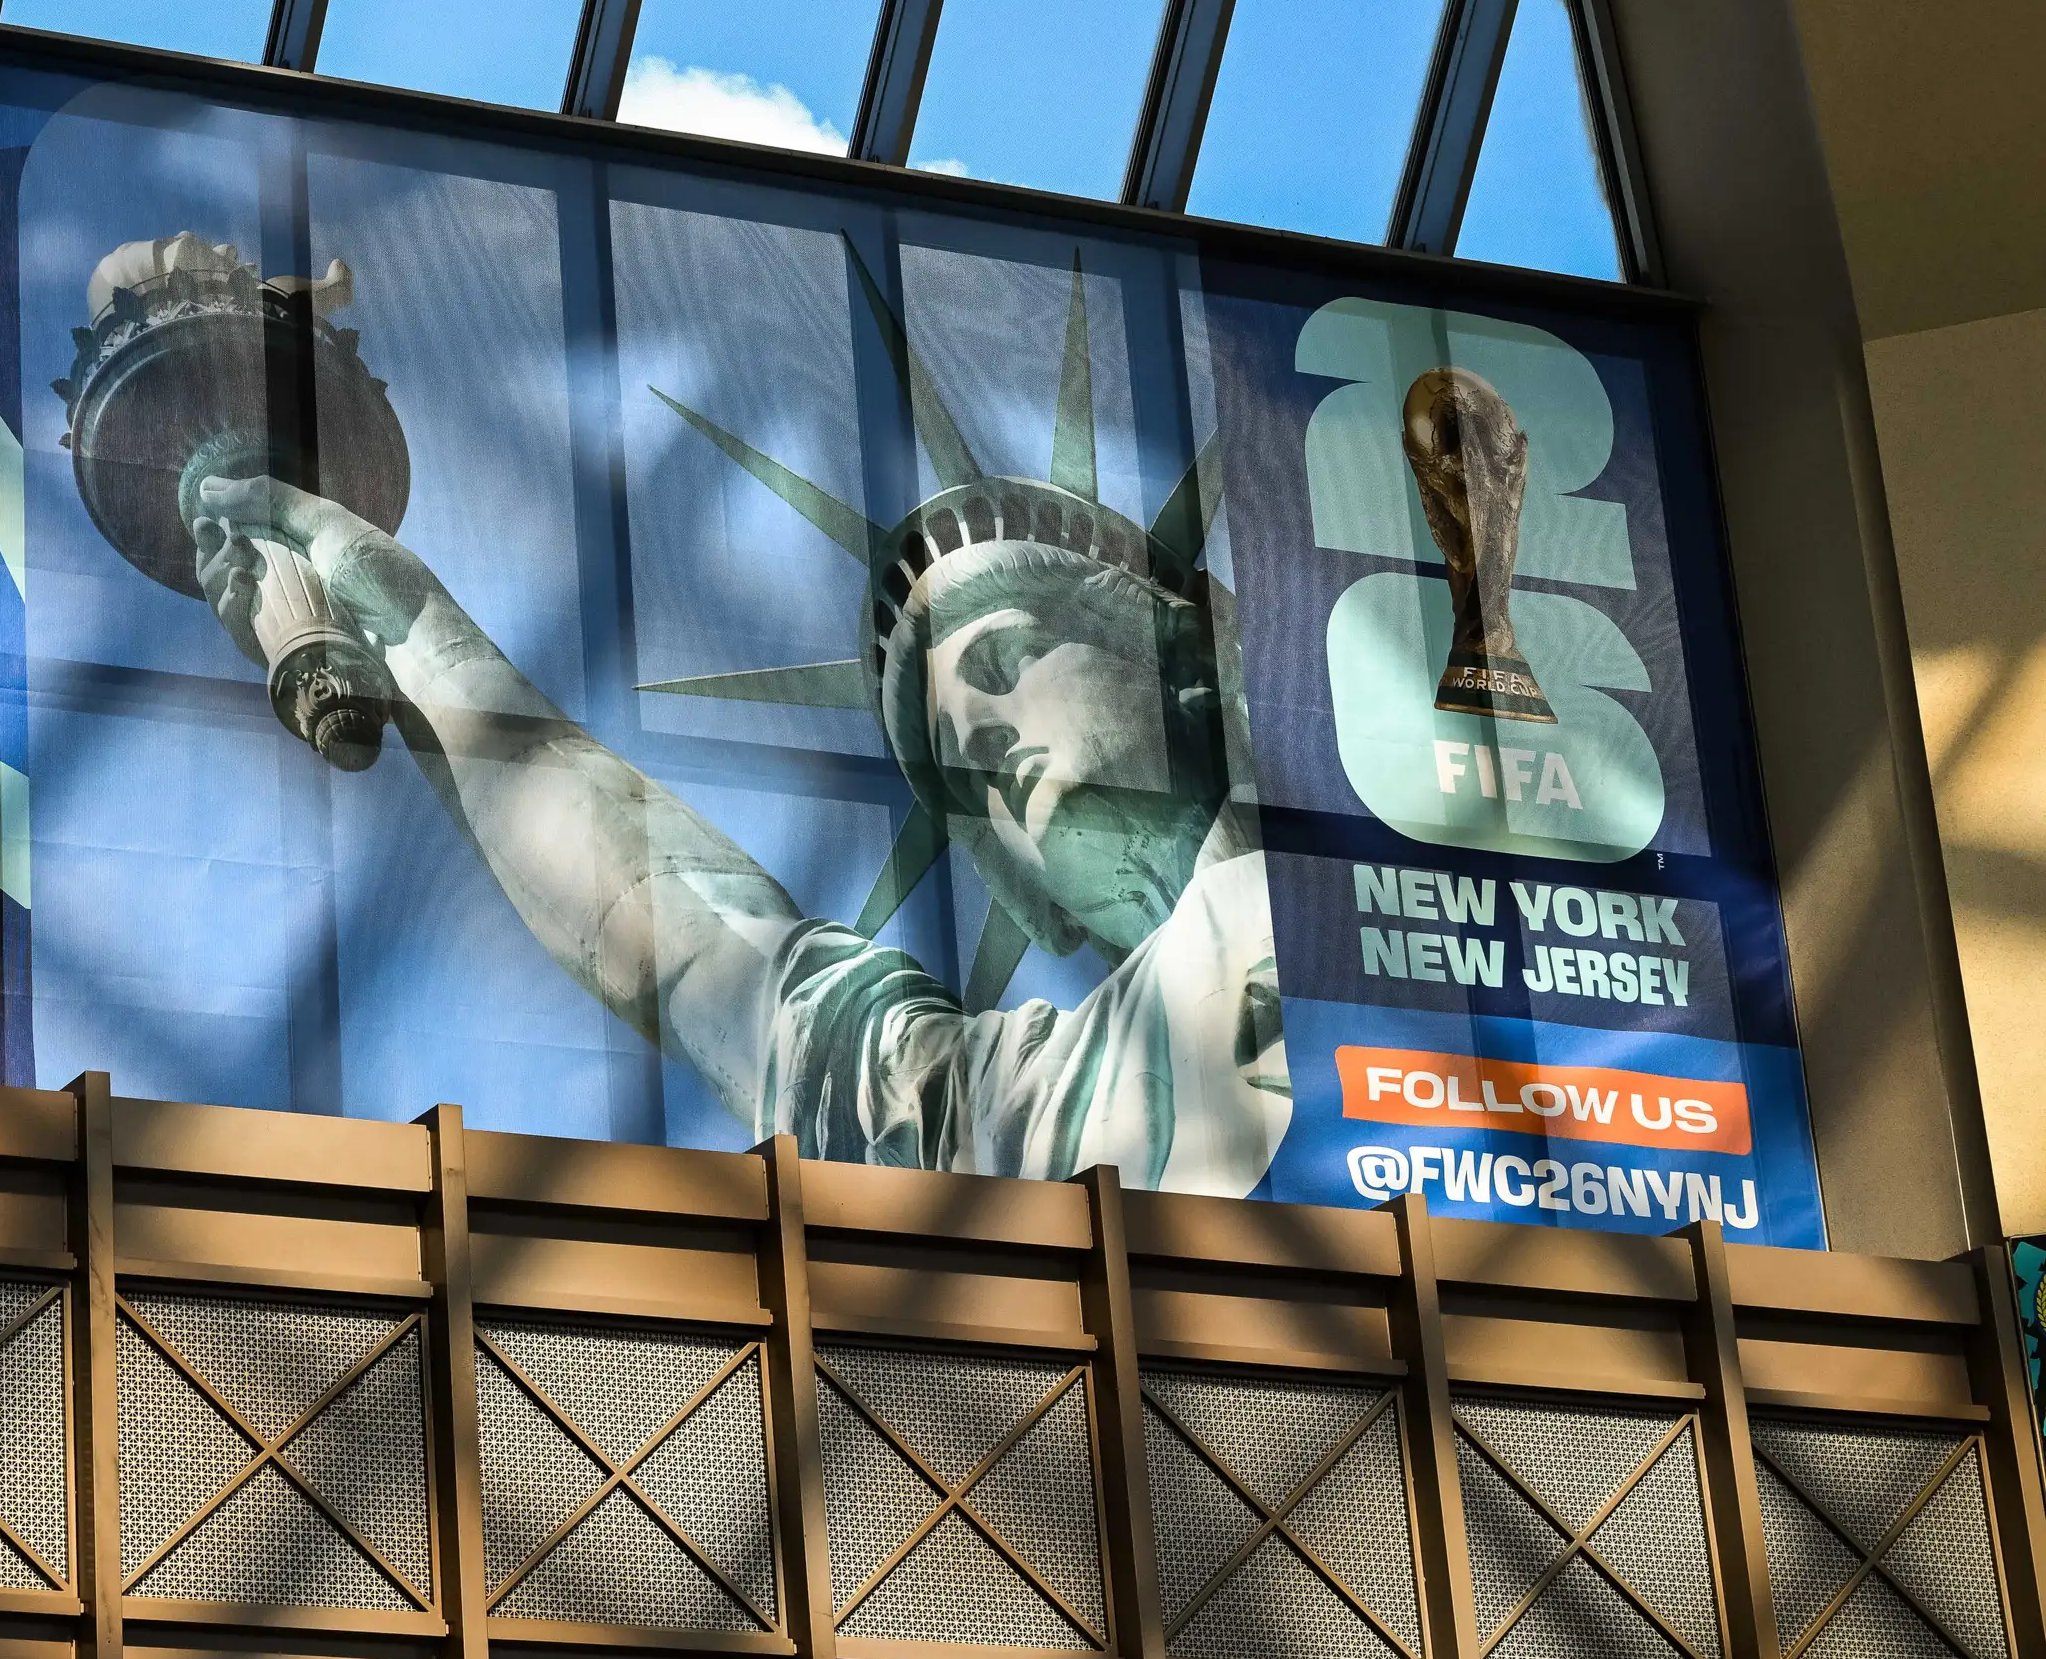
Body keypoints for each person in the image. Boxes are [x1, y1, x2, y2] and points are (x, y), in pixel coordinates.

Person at [186, 462, 1289, 1196]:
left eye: (1006, 660)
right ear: (1028, 898)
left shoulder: (1369, 859)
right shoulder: (1021, 1113)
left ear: (1188, 669)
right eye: (961, 769)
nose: (986, 736)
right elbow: (690, 946)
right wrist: (416, 634)